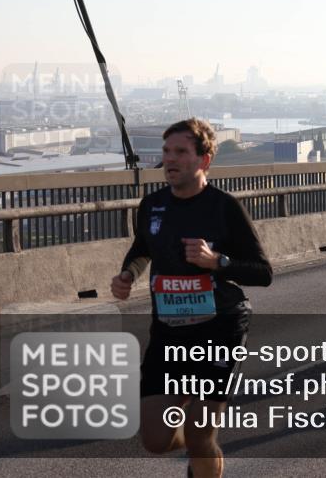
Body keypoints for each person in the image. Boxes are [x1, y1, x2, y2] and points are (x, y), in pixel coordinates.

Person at [111, 119, 273, 478]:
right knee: (155, 440)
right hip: (168, 333)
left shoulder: (223, 207)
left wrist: (217, 261)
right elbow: (141, 248)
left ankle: (201, 444)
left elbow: (263, 273)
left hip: (220, 329)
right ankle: (198, 436)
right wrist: (128, 274)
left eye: (181, 152)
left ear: (204, 160)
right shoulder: (152, 205)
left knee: (200, 436)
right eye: (166, 152)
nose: (170, 159)